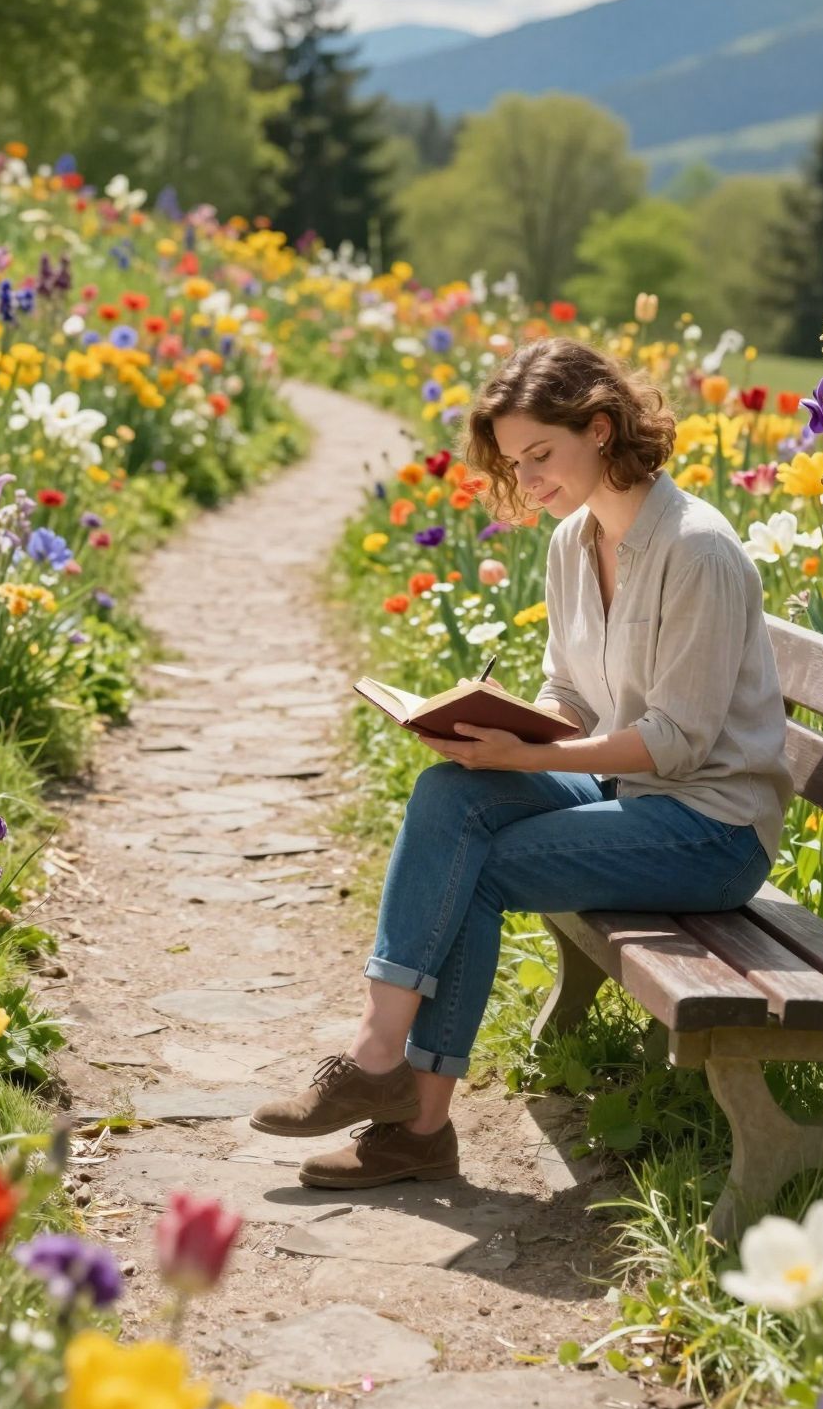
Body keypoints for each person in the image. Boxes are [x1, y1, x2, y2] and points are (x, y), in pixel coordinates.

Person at [250, 336, 793, 1189]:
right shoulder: (574, 542)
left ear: (603, 429)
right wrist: (495, 733)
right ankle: (380, 1056)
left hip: (708, 830)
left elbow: (679, 741)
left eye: (542, 454)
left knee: (482, 864)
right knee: (449, 792)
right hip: (628, 791)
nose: (528, 478)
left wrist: (525, 750)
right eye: (514, 461)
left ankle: (414, 1117)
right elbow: (568, 694)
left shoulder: (697, 550)